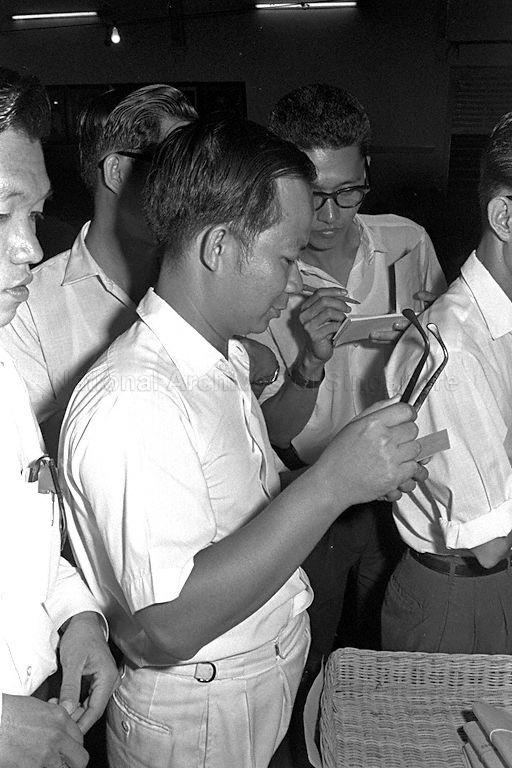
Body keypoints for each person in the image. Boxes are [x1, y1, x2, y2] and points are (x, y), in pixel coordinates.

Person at [60, 118, 426, 768]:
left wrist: (353, 477)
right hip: (202, 715)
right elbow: (166, 626)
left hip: (250, 686)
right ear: (219, 246)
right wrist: (330, 484)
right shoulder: (135, 398)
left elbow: (233, 513)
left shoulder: (217, 357)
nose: (294, 282)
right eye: (285, 259)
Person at [253, 83, 447, 657]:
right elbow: (273, 433)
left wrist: (435, 333)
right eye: (313, 195)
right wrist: (310, 362)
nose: (330, 215)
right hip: (309, 493)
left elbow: (444, 370)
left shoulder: (407, 243)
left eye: (348, 192)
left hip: (401, 492)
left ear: (366, 172)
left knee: (386, 649)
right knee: (306, 651)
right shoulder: (258, 276)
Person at [0, 68, 118, 768]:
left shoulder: (4, 374)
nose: (30, 248)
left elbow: (27, 522)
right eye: (0, 213)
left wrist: (76, 614)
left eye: (34, 215)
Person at [0, 83, 197, 457]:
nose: (195, 191)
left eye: (35, 214)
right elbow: (29, 459)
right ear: (118, 171)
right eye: (175, 170)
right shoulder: (24, 306)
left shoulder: (207, 284)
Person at [383, 110, 512, 654]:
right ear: (505, 217)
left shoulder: (498, 322)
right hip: (459, 601)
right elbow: (491, 540)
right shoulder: (453, 349)